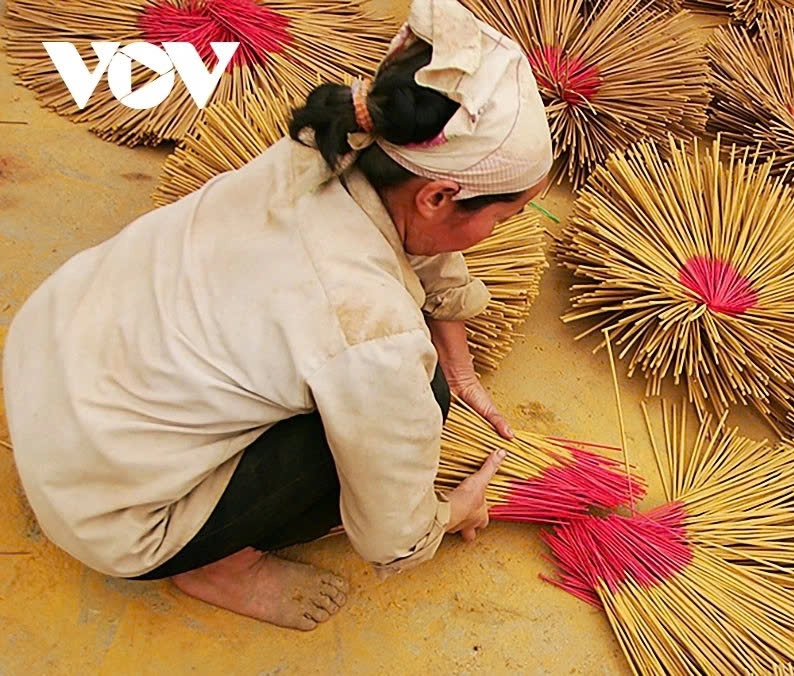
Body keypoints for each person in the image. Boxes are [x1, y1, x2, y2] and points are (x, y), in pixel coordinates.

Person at [1, 0, 552, 631]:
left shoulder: (327, 145)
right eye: (502, 218)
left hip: (49, 360)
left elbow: (416, 239)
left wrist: (458, 353)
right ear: (438, 195)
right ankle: (213, 563)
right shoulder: (372, 335)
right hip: (111, 511)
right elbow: (389, 537)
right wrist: (453, 511)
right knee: (417, 401)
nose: (498, 232)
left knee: (408, 384)